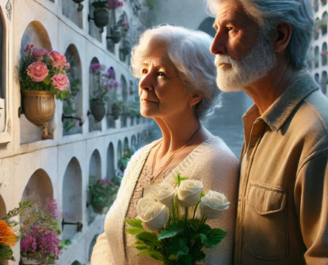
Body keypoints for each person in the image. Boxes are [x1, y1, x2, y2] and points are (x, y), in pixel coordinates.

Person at [208, 0, 328, 264]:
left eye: (230, 29)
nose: (215, 46)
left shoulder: (322, 140)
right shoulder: (261, 122)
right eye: (216, 28)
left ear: (279, 36)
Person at [91, 25, 239, 264]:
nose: (144, 83)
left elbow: (212, 258)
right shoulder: (141, 157)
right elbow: (109, 238)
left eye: (160, 74)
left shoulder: (216, 164)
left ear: (196, 92)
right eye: (145, 70)